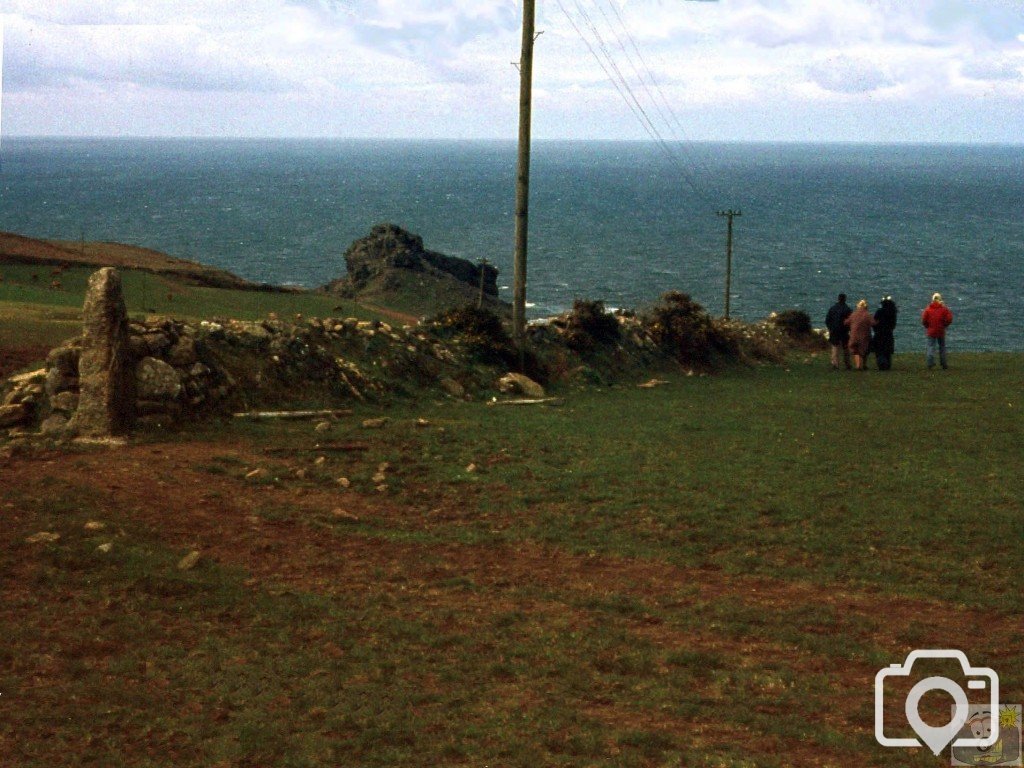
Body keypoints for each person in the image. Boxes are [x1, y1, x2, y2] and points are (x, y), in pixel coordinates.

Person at [921, 292, 953, 369]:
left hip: (931, 331)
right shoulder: (944, 309)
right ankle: (943, 363)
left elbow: (924, 320)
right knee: (942, 347)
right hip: (941, 330)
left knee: (931, 347)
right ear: (940, 299)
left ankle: (930, 363)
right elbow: (949, 318)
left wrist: (927, 326)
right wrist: (945, 325)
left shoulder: (928, 309)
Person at [844, 299, 876, 371]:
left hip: (854, 335)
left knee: (855, 350)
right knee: (864, 350)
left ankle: (858, 365)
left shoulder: (853, 314)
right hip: (865, 336)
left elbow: (846, 322)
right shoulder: (867, 315)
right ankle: (864, 365)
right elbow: (874, 323)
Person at [825, 293, 853, 370]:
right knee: (845, 348)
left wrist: (830, 328)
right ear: (845, 299)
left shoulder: (832, 308)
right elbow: (851, 321)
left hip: (834, 330)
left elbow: (827, 320)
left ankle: (835, 364)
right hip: (844, 331)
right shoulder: (847, 309)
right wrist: (849, 329)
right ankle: (847, 364)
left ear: (838, 299)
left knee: (835, 347)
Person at [873, 296, 898, 371]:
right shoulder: (893, 312)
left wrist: (876, 329)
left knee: (880, 350)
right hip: (888, 333)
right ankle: (887, 365)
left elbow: (875, 322)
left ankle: (882, 364)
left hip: (879, 333)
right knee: (887, 351)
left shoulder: (879, 311)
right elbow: (893, 324)